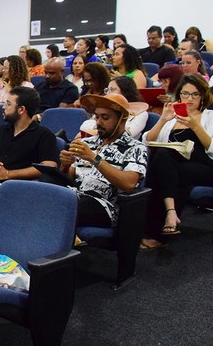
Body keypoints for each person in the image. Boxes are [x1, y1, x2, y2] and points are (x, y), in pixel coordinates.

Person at [140, 74, 213, 250]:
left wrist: (195, 126)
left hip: (207, 166)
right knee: (163, 160)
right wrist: (163, 119)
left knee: (162, 167)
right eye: (185, 94)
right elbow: (147, 142)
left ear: (202, 96)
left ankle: (158, 228)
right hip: (177, 166)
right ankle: (170, 216)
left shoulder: (210, 116)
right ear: (179, 95)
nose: (189, 98)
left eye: (195, 94)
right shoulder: (172, 118)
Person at [57, 94, 147, 229]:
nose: (98, 122)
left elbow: (129, 184)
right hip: (73, 195)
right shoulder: (86, 142)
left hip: (105, 206)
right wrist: (65, 164)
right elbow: (70, 177)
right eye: (97, 117)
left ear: (122, 119)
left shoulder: (136, 147)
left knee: (69, 205)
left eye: (105, 117)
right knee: (45, 189)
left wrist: (95, 159)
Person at [0, 87, 59, 221]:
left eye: (8, 104)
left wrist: (7, 174)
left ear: (21, 110)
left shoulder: (44, 135)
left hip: (20, 186)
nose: (3, 107)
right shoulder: (0, 130)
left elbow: (48, 166)